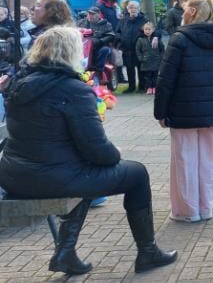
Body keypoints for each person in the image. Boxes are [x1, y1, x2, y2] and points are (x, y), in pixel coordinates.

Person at [0, 26, 176, 275]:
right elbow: (97, 149)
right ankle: (147, 252)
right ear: (71, 53)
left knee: (84, 174)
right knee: (136, 174)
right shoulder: (73, 89)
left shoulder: (19, 84)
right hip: (53, 178)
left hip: (14, 176)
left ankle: (66, 253)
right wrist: (115, 154)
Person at [154, 0, 213, 223]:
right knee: (209, 161)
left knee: (184, 161)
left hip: (182, 110)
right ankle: (205, 208)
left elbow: (166, 78)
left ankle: (187, 211)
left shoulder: (179, 39)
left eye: (186, 8)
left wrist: (160, 111)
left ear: (193, 12)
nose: (182, 11)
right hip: (212, 112)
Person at [116, 0, 147, 93]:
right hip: (127, 48)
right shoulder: (123, 20)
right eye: (131, 8)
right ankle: (131, 87)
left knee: (141, 68)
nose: (133, 9)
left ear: (139, 9)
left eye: (135, 8)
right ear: (128, 9)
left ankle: (142, 86)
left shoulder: (144, 20)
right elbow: (117, 32)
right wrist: (119, 41)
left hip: (140, 49)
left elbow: (153, 31)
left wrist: (155, 38)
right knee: (129, 68)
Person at [136, 21, 164, 95]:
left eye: (149, 29)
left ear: (153, 30)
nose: (147, 31)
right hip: (146, 61)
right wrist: (141, 58)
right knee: (147, 76)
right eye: (146, 29)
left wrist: (161, 57)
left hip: (156, 61)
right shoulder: (140, 39)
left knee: (155, 76)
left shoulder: (157, 39)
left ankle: (154, 88)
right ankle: (148, 88)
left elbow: (162, 49)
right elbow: (138, 50)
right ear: (143, 30)